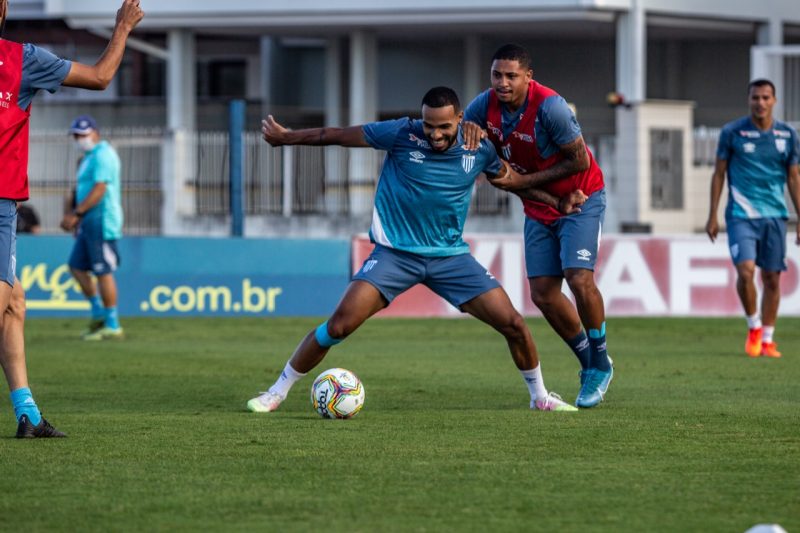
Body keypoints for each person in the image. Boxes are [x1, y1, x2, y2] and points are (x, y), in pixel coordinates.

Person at [248, 86, 587, 414]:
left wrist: (558, 202)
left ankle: (540, 397)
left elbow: (513, 183)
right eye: (428, 125)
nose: (435, 134)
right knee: (338, 326)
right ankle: (276, 392)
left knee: (513, 323)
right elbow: (335, 134)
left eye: (443, 126)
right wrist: (287, 137)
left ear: (459, 119)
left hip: (450, 258)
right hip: (395, 255)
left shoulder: (478, 148)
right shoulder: (400, 133)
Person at [0, 0, 143, 438]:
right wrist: (122, 26)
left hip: (54, 212)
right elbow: (100, 76)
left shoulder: (23, 60)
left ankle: (27, 414)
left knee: (14, 305)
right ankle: (110, 319)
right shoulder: (19, 57)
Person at [463, 43, 613, 408]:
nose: (502, 82)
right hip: (539, 208)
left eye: (511, 75)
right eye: (497, 75)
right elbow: (469, 143)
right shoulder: (482, 107)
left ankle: (600, 358)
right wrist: (466, 132)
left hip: (580, 198)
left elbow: (578, 161)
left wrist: (524, 183)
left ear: (528, 77)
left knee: (578, 277)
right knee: (543, 294)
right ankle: (591, 364)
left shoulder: (551, 107)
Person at [706, 79, 800, 358]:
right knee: (746, 271)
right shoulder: (733, 132)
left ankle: (768, 339)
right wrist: (712, 214)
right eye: (755, 98)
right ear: (749, 100)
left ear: (774, 100)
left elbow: (794, 177)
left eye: (765, 98)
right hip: (740, 215)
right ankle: (754, 328)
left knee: (772, 278)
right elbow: (719, 173)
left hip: (774, 216)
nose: (760, 103)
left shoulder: (787, 135)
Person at [60, 115, 124, 341]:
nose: (80, 139)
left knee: (103, 271)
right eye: (76, 135)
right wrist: (72, 214)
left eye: (83, 135)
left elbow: (99, 190)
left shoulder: (104, 155)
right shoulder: (88, 157)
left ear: (95, 133)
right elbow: (79, 188)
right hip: (88, 222)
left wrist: (77, 213)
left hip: (102, 221)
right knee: (76, 267)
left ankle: (113, 323)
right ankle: (98, 313)